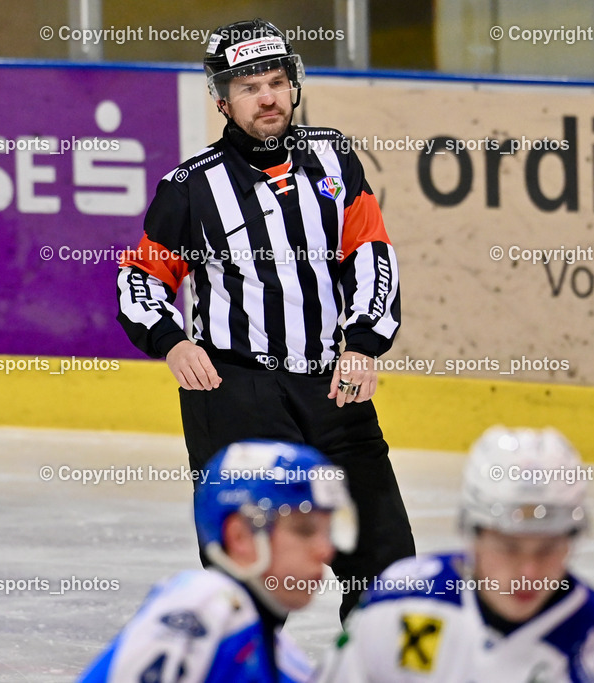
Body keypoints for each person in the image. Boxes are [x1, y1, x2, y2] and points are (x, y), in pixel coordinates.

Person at [116, 18, 414, 620]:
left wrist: (362, 344)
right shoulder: (191, 188)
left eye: (277, 82)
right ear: (222, 99)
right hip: (237, 397)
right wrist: (171, 341)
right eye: (251, 87)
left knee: (389, 571)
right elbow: (140, 279)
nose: (269, 97)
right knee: (250, 578)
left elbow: (370, 254)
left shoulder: (333, 158)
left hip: (333, 384)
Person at [321, 426, 594, 682]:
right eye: (508, 548)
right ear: (472, 534)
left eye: (548, 549)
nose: (528, 572)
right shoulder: (399, 603)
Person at [79, 440, 357, 682]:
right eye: (304, 530)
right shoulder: (203, 602)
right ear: (240, 536)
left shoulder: (283, 657)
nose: (325, 551)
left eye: (327, 532)